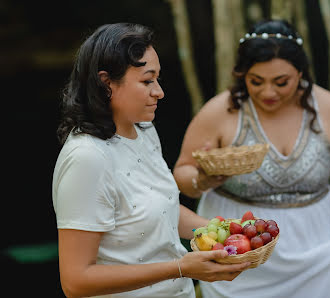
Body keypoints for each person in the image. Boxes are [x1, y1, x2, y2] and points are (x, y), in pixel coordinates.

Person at [173, 19, 330, 298]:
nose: (268, 92)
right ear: (242, 74)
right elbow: (182, 173)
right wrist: (202, 179)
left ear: (301, 73)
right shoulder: (220, 112)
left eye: (281, 82)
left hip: (315, 249)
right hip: (240, 254)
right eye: (256, 81)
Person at [52, 22, 251, 298]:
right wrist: (180, 268)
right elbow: (76, 281)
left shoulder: (144, 130)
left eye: (157, 79)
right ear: (106, 83)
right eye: (147, 81)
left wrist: (227, 234)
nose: (159, 91)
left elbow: (162, 206)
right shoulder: (87, 158)